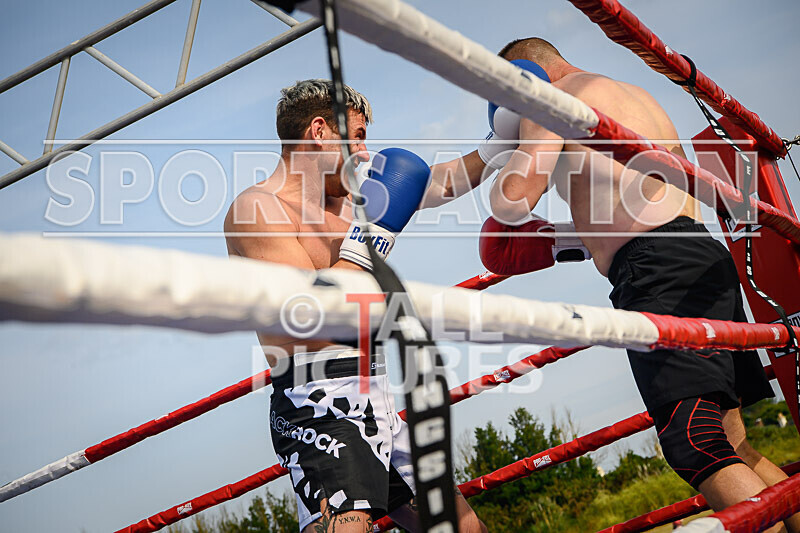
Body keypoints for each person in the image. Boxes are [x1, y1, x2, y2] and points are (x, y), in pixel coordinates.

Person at [483, 38, 799, 532]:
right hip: (702, 256)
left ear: (523, 76)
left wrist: (512, 152)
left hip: (655, 270)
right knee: (734, 444)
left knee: (694, 443)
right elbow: (641, 197)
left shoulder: (551, 100)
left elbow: (517, 196)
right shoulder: (632, 95)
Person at [224, 79, 487, 533]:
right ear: (319, 131)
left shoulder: (346, 202)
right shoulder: (258, 209)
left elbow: (425, 183)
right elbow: (312, 313)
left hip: (376, 393)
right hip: (318, 401)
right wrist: (373, 237)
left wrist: (501, 144)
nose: (364, 153)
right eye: (358, 136)